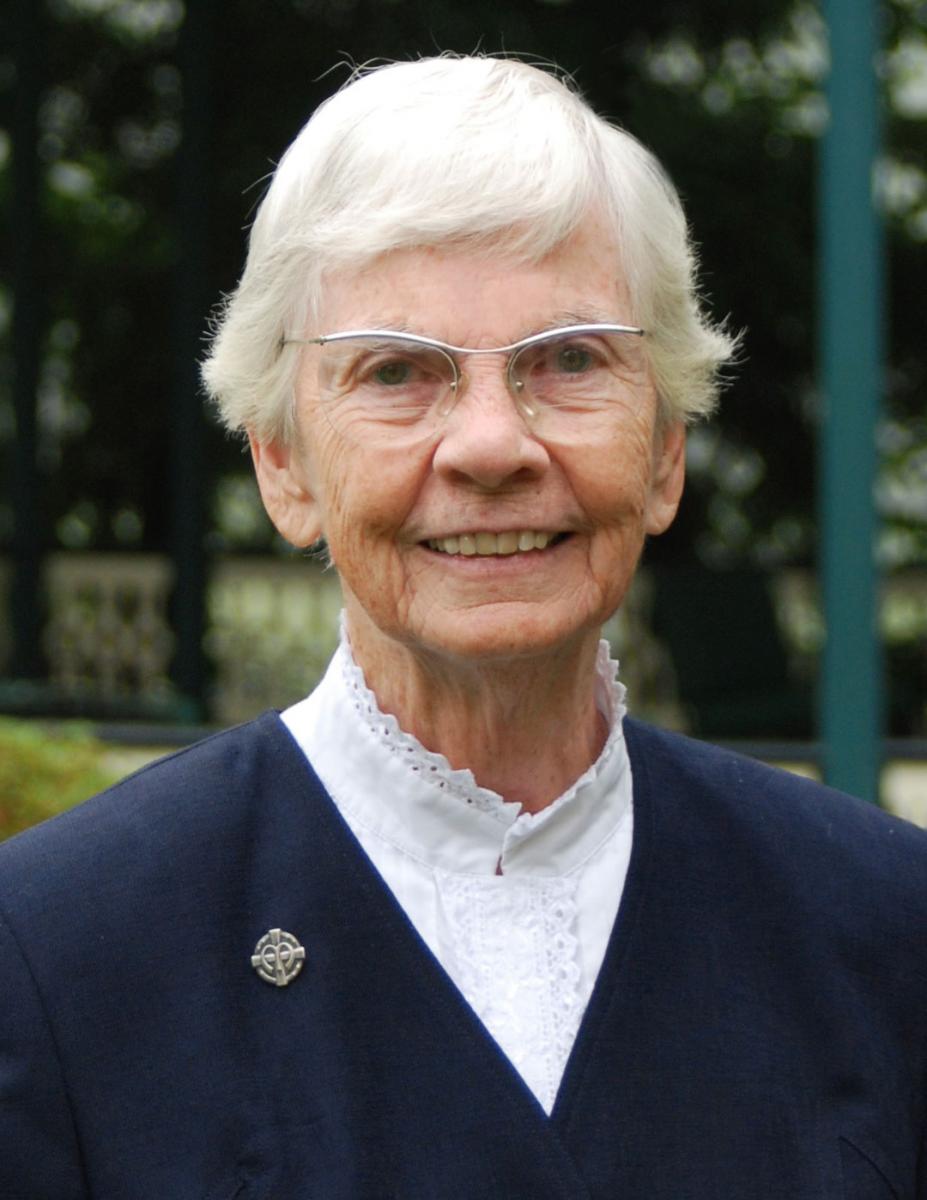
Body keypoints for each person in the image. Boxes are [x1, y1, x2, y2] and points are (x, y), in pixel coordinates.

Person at [1, 54, 925, 1200]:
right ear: (283, 465)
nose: (492, 444)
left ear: (666, 452)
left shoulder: (887, 924)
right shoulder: (51, 951)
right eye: (398, 373)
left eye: (571, 360)